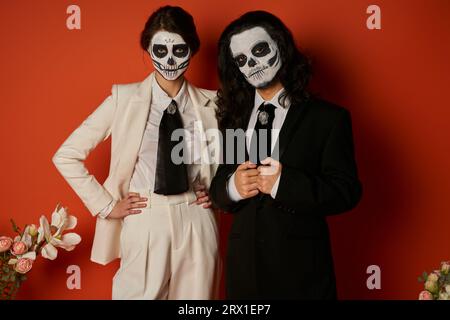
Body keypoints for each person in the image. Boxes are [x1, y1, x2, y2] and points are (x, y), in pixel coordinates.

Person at [53, 6, 220, 300]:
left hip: (197, 218)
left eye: (179, 50)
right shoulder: (123, 99)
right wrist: (106, 205)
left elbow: (241, 155)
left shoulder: (214, 104)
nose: (170, 60)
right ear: (147, 48)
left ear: (192, 50)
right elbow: (66, 155)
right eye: (160, 49)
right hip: (146, 218)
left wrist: (219, 191)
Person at [210, 10, 362, 299]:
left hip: (303, 272)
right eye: (241, 60)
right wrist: (233, 186)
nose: (251, 64)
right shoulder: (234, 120)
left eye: (259, 50)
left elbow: (347, 191)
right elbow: (220, 186)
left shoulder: (328, 119)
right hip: (245, 271)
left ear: (280, 46)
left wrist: (284, 183)